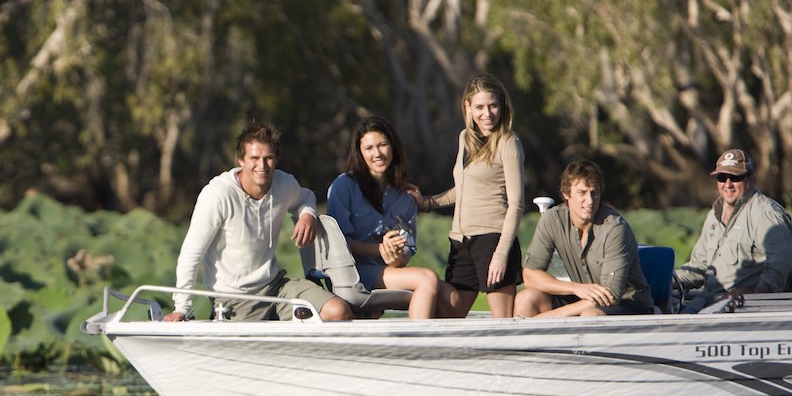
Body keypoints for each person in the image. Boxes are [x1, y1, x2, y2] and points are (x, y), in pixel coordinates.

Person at [164, 122, 352, 322]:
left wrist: (307, 215)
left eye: (268, 158)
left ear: (276, 159)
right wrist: (182, 308)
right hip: (234, 299)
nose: (262, 166)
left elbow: (306, 197)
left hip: (276, 287)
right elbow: (190, 255)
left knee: (338, 311)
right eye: (254, 158)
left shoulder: (284, 183)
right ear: (241, 160)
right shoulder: (217, 195)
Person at [408, 73, 525, 318]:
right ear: (467, 107)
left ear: (502, 105)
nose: (487, 113)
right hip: (461, 241)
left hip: (492, 239)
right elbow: (462, 189)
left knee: (502, 322)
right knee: (448, 314)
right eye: (480, 107)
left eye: (493, 105)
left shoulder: (508, 143)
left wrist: (501, 254)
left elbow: (516, 204)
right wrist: (427, 202)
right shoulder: (465, 138)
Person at [326, 116, 457, 319]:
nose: (377, 153)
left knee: (452, 298)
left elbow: (406, 251)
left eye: (382, 145)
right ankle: (415, 347)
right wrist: (379, 249)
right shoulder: (344, 186)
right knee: (427, 278)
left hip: (386, 271)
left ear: (393, 147)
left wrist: (396, 256)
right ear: (360, 153)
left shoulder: (406, 197)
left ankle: (440, 349)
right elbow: (338, 243)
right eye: (369, 148)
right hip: (352, 272)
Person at [515, 159, 654, 317]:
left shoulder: (616, 228)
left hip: (628, 302)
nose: (589, 201)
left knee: (590, 315)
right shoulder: (552, 219)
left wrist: (553, 315)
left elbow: (611, 295)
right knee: (525, 299)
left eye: (594, 193)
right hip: (583, 294)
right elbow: (530, 276)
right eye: (582, 192)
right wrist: (574, 288)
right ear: (566, 193)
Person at [672, 148, 792, 313]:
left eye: (736, 177)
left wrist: (755, 296)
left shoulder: (766, 214)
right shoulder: (714, 215)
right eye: (722, 177)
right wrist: (662, 280)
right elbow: (699, 265)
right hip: (707, 302)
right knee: (667, 319)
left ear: (751, 178)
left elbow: (783, 261)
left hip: (739, 310)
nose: (728, 184)